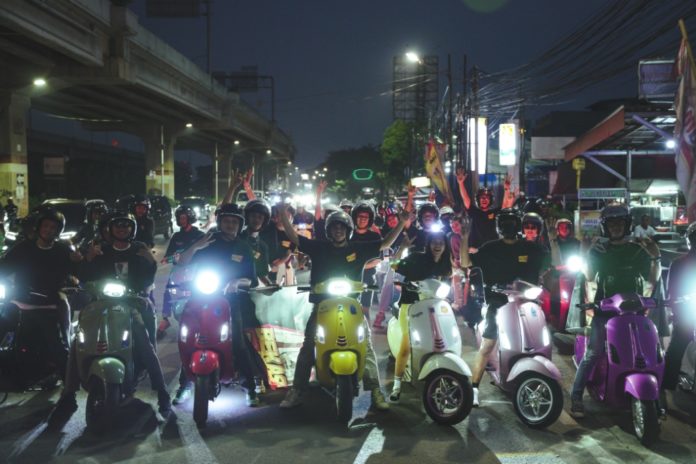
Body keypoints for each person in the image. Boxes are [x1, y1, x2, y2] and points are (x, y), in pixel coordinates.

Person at [278, 205, 410, 411]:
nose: (338, 230)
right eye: (334, 227)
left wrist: (401, 222)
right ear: (329, 230)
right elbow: (294, 238)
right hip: (323, 306)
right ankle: (297, 389)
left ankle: (375, 390)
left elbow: (385, 243)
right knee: (308, 344)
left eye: (342, 227)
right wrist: (283, 216)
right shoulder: (319, 247)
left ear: (348, 230)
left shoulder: (358, 248)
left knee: (366, 345)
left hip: (351, 306)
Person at [54, 211, 171, 418]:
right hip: (101, 303)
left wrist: (150, 262)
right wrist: (88, 259)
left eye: (126, 225)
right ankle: (69, 394)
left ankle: (162, 392)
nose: (122, 229)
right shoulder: (102, 250)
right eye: (118, 225)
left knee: (144, 342)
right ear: (110, 229)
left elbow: (146, 279)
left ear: (132, 228)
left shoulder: (138, 249)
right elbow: (85, 277)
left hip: (131, 303)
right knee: (77, 341)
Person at [569, 204, 661, 418]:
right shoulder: (600, 250)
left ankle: (657, 396)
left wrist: (655, 257)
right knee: (594, 352)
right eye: (611, 223)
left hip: (634, 312)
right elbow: (590, 277)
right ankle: (576, 396)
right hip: (605, 312)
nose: (616, 227)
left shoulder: (638, 250)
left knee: (650, 352)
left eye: (620, 222)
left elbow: (651, 280)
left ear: (627, 224)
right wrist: (584, 253)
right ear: (605, 227)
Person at [460, 209, 551, 407]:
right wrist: (464, 237)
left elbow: (552, 263)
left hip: (526, 302)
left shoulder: (531, 248)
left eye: (513, 222)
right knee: (487, 345)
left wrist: (551, 236)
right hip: (498, 303)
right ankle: (474, 388)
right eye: (505, 223)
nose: (509, 227)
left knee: (539, 341)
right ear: (499, 227)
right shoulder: (490, 248)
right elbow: (466, 262)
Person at [178, 203, 263, 406]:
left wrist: (237, 282)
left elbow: (251, 280)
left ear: (240, 225)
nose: (230, 225)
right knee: (190, 339)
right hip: (201, 299)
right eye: (226, 221)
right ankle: (185, 385)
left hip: (230, 301)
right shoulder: (207, 241)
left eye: (234, 222)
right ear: (219, 222)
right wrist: (196, 246)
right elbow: (181, 261)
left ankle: (249, 388)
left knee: (238, 342)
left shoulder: (243, 247)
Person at [0, 208, 82, 380]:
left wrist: (78, 264)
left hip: (49, 304)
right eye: (45, 226)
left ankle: (68, 386)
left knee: (59, 347)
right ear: (38, 227)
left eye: (53, 227)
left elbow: (76, 274)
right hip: (20, 301)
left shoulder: (63, 250)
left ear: (58, 231)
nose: (48, 230)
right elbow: (5, 265)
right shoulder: (23, 248)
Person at [390, 225, 460, 401]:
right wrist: (402, 248)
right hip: (411, 305)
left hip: (434, 306)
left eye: (441, 243)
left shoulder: (445, 265)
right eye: (434, 242)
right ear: (428, 244)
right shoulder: (417, 258)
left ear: (445, 246)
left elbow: (447, 284)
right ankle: (397, 383)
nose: (437, 245)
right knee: (407, 344)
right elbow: (394, 265)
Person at [157, 205, 205, 339]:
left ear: (190, 218)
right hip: (179, 270)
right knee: (168, 290)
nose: (181, 220)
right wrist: (175, 258)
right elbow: (165, 259)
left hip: (196, 270)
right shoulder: (176, 236)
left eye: (183, 217)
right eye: (179, 218)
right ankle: (165, 318)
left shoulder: (199, 235)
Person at [662, 222, 696, 405]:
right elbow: (672, 290)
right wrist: (676, 302)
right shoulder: (679, 264)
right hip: (686, 312)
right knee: (676, 348)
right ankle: (665, 387)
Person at [456, 169, 515, 251]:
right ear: (478, 199)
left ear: (490, 200)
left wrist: (506, 189)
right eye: (482, 197)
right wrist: (461, 183)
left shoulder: (494, 213)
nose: (484, 199)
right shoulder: (474, 212)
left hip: (492, 249)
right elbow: (465, 199)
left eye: (487, 197)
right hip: (475, 249)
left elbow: (505, 206)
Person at [261, 204, 297, 285]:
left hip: (280, 267)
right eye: (282, 215)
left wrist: (276, 264)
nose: (284, 219)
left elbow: (289, 253)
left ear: (291, 219)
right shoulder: (267, 228)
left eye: (287, 216)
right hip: (262, 266)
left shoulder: (292, 235)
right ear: (276, 217)